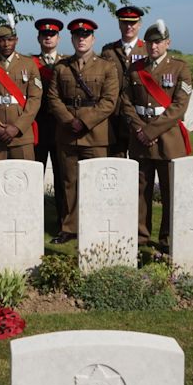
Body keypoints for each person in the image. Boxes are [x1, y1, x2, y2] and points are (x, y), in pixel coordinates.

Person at [119, 19, 192, 250]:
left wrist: (151, 131)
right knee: (141, 192)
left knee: (171, 193)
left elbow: (178, 107)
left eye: (158, 42)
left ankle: (167, 239)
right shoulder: (135, 69)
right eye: (150, 43)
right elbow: (126, 102)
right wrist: (140, 130)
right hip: (140, 139)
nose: (153, 47)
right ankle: (141, 237)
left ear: (167, 43)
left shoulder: (180, 68)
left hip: (168, 139)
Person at [46, 18, 120, 244]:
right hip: (67, 132)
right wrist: (69, 120)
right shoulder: (62, 67)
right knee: (69, 182)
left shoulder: (107, 67)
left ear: (92, 39)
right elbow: (53, 97)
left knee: (97, 183)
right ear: (72, 38)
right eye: (77, 36)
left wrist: (84, 121)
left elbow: (109, 101)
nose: (81, 39)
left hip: (95, 134)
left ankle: (97, 224)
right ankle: (69, 227)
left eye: (85, 35)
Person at [0, 14, 42, 162]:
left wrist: (17, 127)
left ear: (16, 40)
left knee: (24, 178)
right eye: (2, 40)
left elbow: (35, 99)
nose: (6, 44)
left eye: (10, 39)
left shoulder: (29, 64)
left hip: (22, 134)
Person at [32, 17, 68, 223]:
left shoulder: (67, 62)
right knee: (35, 174)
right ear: (38, 38)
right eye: (45, 35)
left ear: (58, 38)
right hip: (37, 126)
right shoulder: (29, 63)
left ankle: (64, 222)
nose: (48, 38)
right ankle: (35, 220)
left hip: (61, 126)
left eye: (52, 35)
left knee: (63, 177)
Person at [100, 5, 146, 157]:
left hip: (138, 114)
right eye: (125, 22)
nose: (129, 27)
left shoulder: (146, 50)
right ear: (119, 24)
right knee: (115, 160)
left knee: (139, 163)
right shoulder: (108, 50)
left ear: (139, 25)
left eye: (132, 23)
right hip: (114, 114)